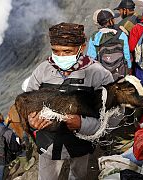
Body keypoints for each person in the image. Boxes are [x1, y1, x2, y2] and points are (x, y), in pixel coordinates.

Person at [23, 22, 122, 180]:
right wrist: (31, 120)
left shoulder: (98, 75)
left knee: (78, 176)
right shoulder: (43, 70)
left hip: (80, 145)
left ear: (82, 48)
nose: (60, 57)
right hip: (48, 145)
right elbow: (27, 102)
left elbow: (113, 117)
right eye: (56, 51)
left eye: (67, 51)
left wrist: (82, 124)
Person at [88, 9, 131, 80]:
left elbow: (91, 58)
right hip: (120, 73)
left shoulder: (95, 37)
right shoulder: (121, 35)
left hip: (103, 75)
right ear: (112, 21)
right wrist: (128, 69)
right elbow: (127, 57)